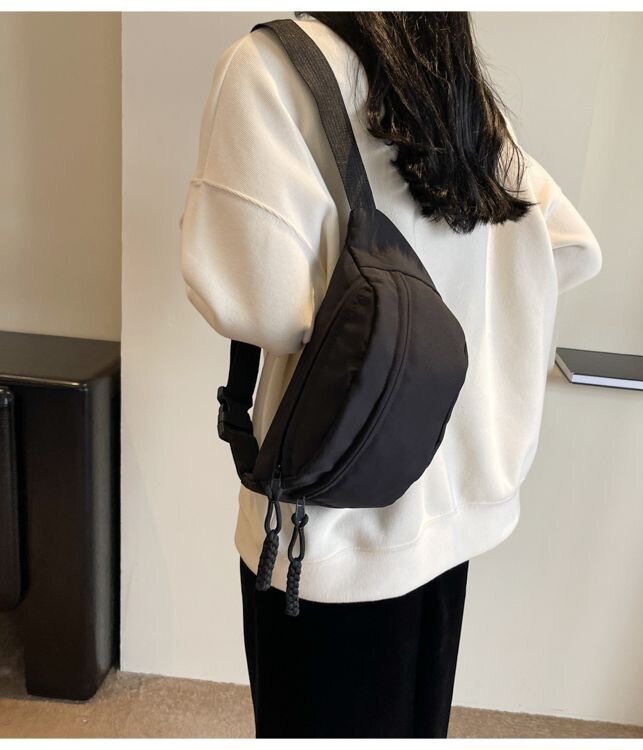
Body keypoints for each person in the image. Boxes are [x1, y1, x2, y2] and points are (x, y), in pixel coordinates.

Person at [179, 11, 602, 739]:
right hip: (450, 510)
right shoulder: (452, 84)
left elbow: (252, 298)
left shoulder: (270, 68)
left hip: (331, 524)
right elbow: (569, 247)